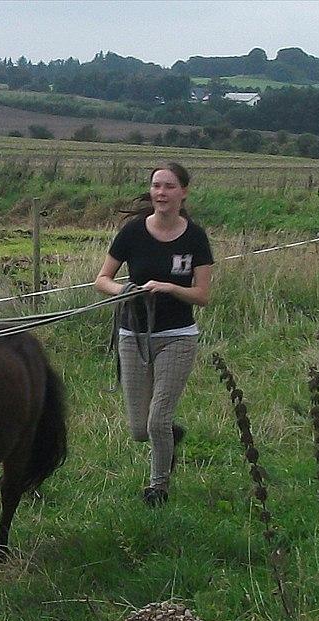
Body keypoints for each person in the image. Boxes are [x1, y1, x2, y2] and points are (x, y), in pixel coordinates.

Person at [95, 162, 214, 506]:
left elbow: (203, 296)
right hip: (132, 336)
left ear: (184, 192)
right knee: (139, 429)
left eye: (169, 186)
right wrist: (124, 291)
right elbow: (101, 279)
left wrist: (170, 288)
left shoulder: (195, 237)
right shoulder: (132, 232)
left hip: (177, 336)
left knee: (158, 418)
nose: (161, 193)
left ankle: (157, 489)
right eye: (156, 186)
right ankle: (169, 438)